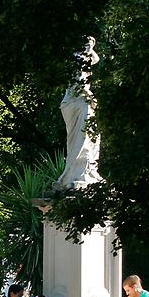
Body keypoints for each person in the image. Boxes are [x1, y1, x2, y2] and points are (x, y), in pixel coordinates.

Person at [56, 36, 103, 189]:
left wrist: (91, 49)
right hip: (75, 104)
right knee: (82, 135)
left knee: (90, 135)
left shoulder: (86, 59)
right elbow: (77, 86)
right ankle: (76, 172)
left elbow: (95, 59)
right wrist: (90, 98)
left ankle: (88, 170)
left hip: (79, 102)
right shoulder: (77, 61)